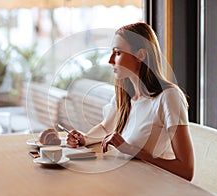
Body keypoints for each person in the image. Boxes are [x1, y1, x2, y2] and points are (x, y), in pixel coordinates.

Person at [66, 22, 194, 181]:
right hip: (126, 182)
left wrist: (132, 150)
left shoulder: (169, 97)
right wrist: (84, 138)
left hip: (154, 189)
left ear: (140, 55)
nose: (110, 60)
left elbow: (186, 170)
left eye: (117, 53)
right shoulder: (126, 97)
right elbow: (106, 127)